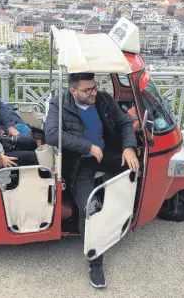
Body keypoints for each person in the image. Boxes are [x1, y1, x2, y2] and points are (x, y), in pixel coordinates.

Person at [44, 72, 139, 289]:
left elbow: (124, 122)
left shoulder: (103, 99)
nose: (93, 92)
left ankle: (122, 212)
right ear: (73, 91)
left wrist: (128, 147)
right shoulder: (60, 103)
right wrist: (87, 147)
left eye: (95, 87)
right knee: (88, 208)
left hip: (107, 153)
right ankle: (94, 260)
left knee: (136, 167)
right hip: (81, 163)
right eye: (88, 90)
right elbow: (51, 134)